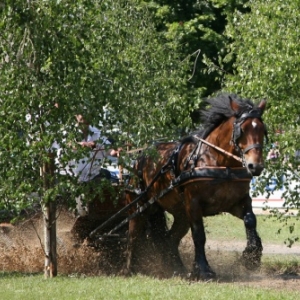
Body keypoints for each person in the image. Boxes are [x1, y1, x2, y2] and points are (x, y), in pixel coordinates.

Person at [69, 114, 121, 182]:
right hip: (73, 178)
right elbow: (67, 145)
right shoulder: (70, 131)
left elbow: (106, 148)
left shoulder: (96, 132)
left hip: (94, 176)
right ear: (76, 116)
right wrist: (83, 145)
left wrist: (115, 152)